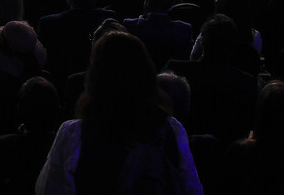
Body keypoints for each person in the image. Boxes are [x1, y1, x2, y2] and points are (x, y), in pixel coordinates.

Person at [36, 31, 203, 195]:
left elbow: (49, 189)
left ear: (95, 77)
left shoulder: (72, 134)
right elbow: (192, 187)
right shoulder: (172, 129)